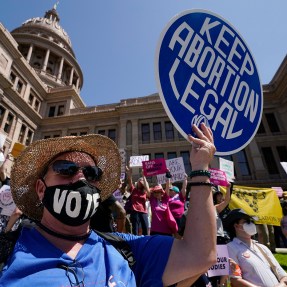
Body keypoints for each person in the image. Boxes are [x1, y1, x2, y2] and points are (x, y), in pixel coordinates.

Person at [0, 123, 217, 286]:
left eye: (92, 173)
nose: (80, 179)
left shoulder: (127, 250)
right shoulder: (6, 253)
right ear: (40, 189)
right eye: (66, 169)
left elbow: (200, 254)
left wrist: (200, 167)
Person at [224, 208, 287, 287]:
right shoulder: (230, 248)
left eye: (252, 221)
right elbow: (235, 280)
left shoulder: (262, 248)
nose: (251, 224)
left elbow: (283, 276)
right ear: (236, 226)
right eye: (246, 221)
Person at [125, 166, 150, 235]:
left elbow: (149, 192)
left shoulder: (145, 192)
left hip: (143, 212)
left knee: (145, 228)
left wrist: (143, 176)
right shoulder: (133, 190)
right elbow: (130, 181)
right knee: (135, 229)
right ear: (138, 182)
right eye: (140, 180)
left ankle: (145, 241)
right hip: (134, 211)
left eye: (142, 181)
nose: (141, 182)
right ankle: (135, 242)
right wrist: (129, 173)